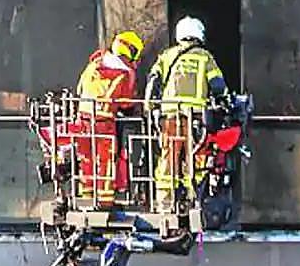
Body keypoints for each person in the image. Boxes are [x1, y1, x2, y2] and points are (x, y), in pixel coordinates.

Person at [144, 16, 230, 210]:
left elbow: (153, 82)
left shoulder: (167, 56)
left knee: (169, 158)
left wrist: (150, 109)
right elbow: (218, 86)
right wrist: (223, 103)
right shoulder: (205, 57)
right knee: (196, 157)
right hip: (196, 119)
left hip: (170, 117)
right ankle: (193, 198)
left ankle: (165, 203)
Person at [71, 30, 146, 206]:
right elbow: (126, 103)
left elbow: (79, 89)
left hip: (82, 120)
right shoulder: (124, 72)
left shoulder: (93, 65)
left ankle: (86, 199)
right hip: (104, 124)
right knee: (105, 163)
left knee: (86, 160)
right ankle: (105, 203)